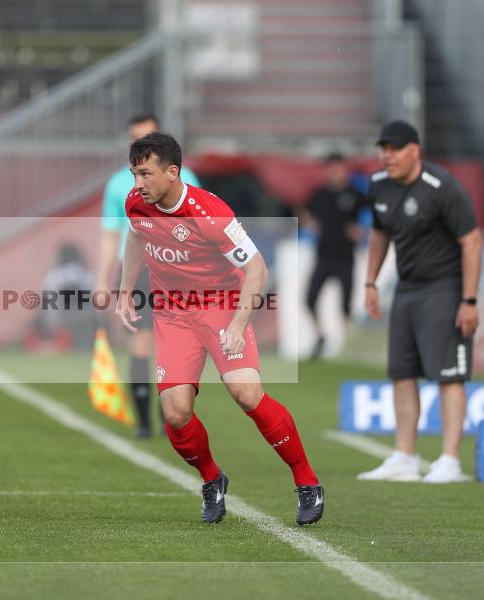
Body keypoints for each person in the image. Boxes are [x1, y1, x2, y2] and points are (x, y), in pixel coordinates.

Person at [116, 132, 324, 525]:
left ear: (172, 172)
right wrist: (125, 290)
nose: (137, 183)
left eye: (144, 174)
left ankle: (307, 482)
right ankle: (212, 479)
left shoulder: (209, 213)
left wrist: (238, 322)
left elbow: (256, 268)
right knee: (176, 413)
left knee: (246, 394)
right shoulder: (135, 204)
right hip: (174, 315)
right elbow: (136, 237)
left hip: (221, 308)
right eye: (133, 174)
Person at [359, 120, 483, 484]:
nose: (387, 155)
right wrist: (371, 281)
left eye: (395, 148)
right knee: (402, 373)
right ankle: (405, 456)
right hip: (407, 289)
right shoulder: (378, 185)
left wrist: (470, 300)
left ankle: (449, 460)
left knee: (448, 376)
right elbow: (380, 232)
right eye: (383, 148)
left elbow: (472, 241)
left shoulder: (441, 186)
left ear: (415, 150)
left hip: (444, 289)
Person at [95, 114, 201, 438]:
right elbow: (111, 234)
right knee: (140, 344)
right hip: (138, 273)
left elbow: (198, 226)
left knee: (176, 345)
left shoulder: (185, 178)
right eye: (135, 138)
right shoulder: (117, 184)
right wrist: (102, 279)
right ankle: (144, 421)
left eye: (147, 136)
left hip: (177, 272)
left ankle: (169, 410)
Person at [300, 153, 368, 359]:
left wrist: (362, 230)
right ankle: (320, 335)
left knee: (345, 304)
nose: (334, 172)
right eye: (331, 168)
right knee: (309, 299)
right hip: (323, 256)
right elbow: (304, 210)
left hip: (346, 256)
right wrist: (310, 224)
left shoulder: (355, 194)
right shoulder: (319, 194)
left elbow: (376, 213)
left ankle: (345, 347)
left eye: (338, 167)